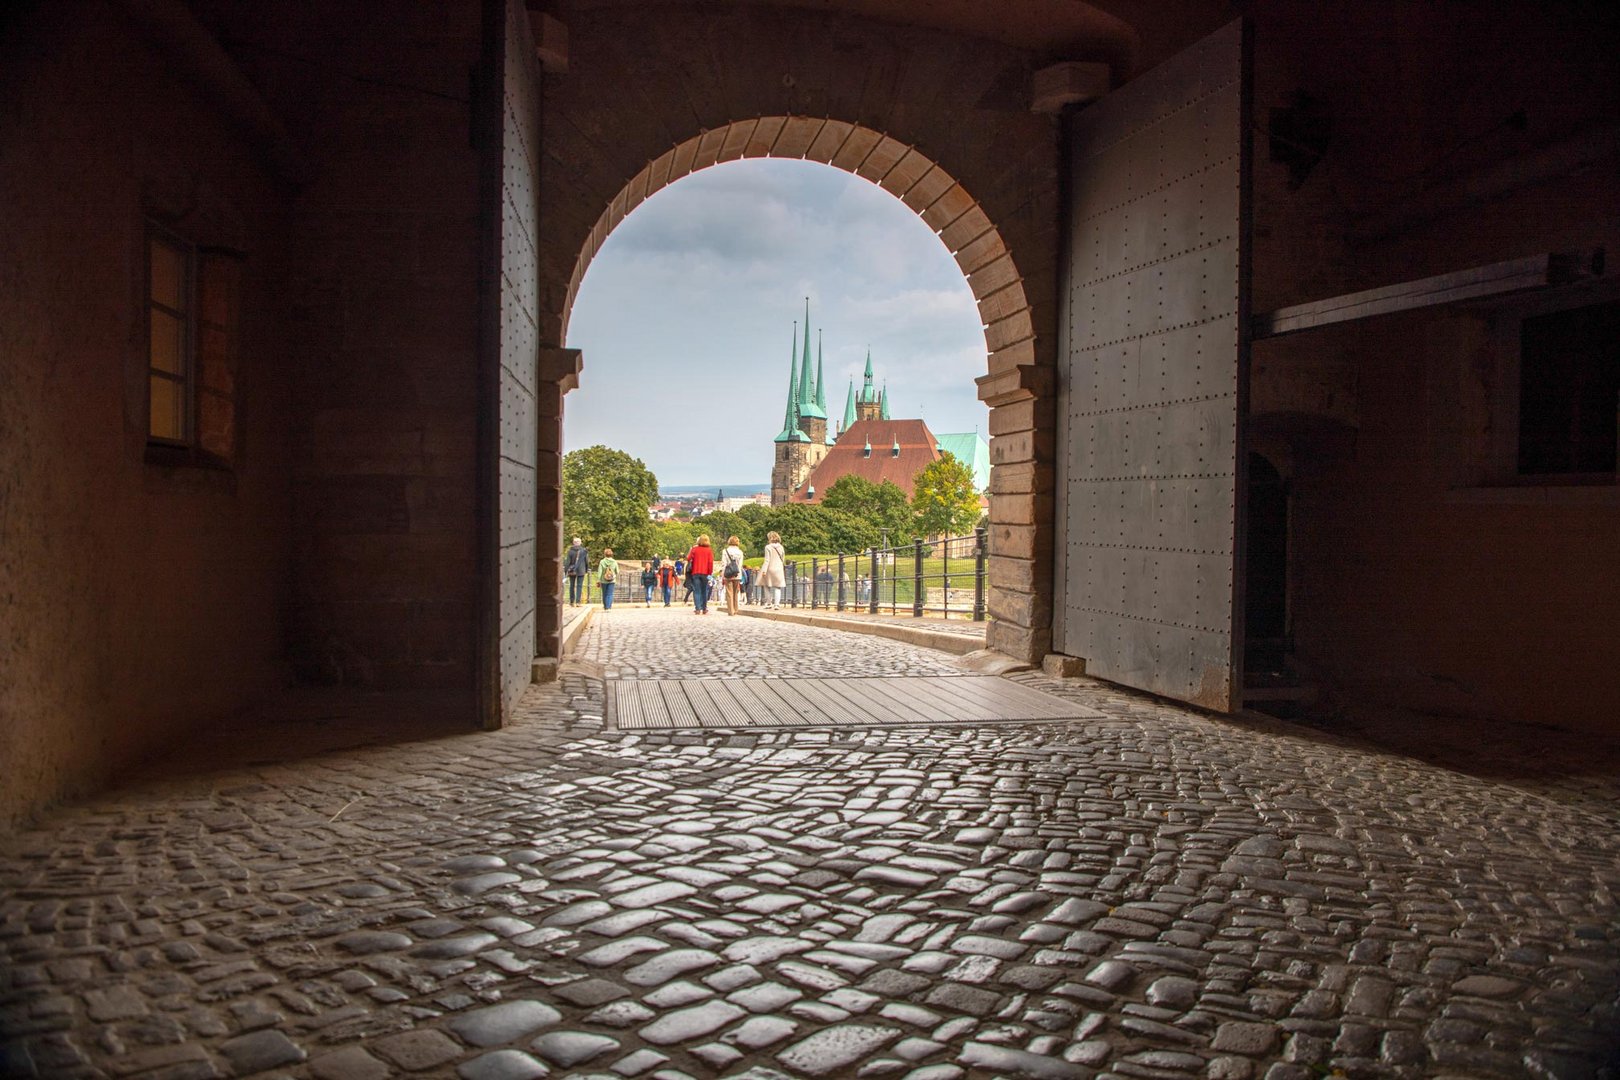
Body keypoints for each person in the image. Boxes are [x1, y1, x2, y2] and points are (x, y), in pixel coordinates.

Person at [685, 534, 715, 615]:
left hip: (696, 572)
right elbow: (710, 563)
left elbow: (688, 558)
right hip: (705, 573)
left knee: (697, 591)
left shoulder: (695, 549)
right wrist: (710, 573)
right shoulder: (709, 550)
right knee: (704, 590)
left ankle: (697, 608)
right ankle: (704, 608)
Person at [759, 530, 786, 609]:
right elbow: (783, 559)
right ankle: (777, 604)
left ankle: (769, 603)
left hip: (770, 568)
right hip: (779, 568)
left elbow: (767, 560)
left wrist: (764, 570)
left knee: (766, 585)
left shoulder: (768, 547)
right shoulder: (781, 547)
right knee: (778, 587)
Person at [720, 535, 746, 616]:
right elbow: (740, 565)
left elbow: (724, 563)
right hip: (737, 574)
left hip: (728, 574)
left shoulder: (725, 551)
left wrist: (723, 574)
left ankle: (730, 610)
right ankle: (736, 609)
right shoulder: (740, 552)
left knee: (729, 592)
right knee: (736, 592)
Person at [565, 537, 590, 606]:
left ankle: (571, 602)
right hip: (581, 570)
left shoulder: (570, 551)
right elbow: (587, 561)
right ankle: (578, 602)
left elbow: (567, 562)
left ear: (573, 543)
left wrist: (566, 571)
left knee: (571, 586)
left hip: (572, 570)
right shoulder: (584, 551)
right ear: (580, 543)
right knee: (579, 586)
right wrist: (586, 569)